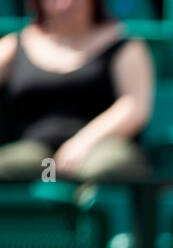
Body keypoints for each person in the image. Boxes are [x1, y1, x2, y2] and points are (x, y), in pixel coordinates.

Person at [0, 0, 152, 181]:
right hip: (39, 160)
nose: (65, 5)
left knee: (106, 168)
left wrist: (82, 144)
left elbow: (134, 107)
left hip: (98, 151)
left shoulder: (123, 46)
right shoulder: (14, 45)